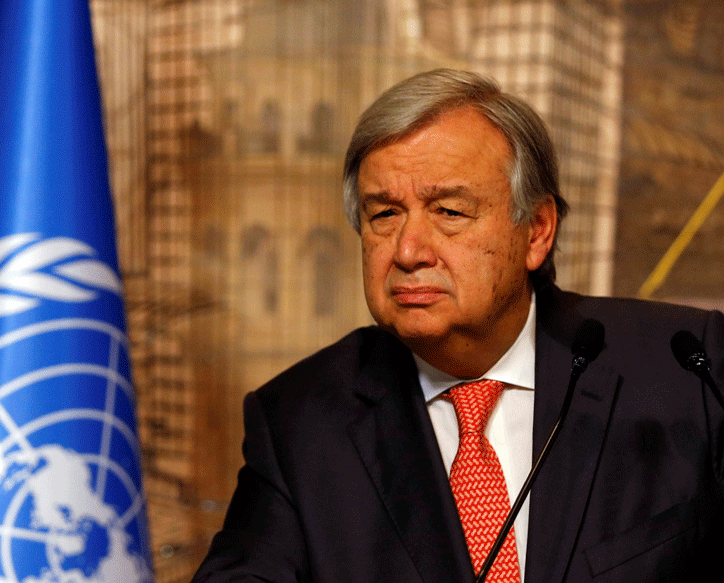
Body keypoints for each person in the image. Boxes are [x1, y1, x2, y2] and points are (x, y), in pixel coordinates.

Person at [191, 69, 724, 583]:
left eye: (448, 211)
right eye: (384, 215)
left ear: (537, 231)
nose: (407, 251)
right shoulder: (298, 421)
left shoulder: (689, 370)